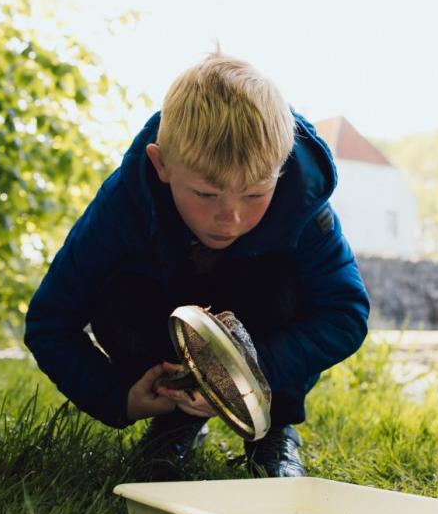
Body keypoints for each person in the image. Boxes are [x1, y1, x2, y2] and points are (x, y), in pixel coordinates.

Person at [24, 53, 370, 477]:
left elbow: (346, 315)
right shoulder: (121, 206)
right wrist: (120, 397)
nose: (232, 218)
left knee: (287, 284)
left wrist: (248, 370)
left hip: (262, 333)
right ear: (161, 164)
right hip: (161, 336)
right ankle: (174, 422)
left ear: (280, 170)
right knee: (119, 292)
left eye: (255, 194)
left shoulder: (304, 205)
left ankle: (275, 432)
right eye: (207, 195)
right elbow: (49, 322)